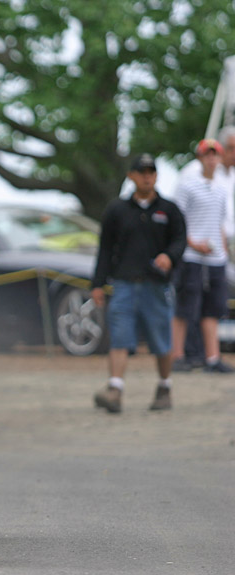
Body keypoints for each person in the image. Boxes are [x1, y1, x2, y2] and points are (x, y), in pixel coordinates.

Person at [91, 153, 186, 413]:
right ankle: (115, 388)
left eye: (151, 171)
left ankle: (164, 386)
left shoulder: (169, 210)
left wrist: (170, 256)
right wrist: (97, 284)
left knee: (160, 339)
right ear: (131, 176)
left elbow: (180, 240)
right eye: (142, 171)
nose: (147, 176)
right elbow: (105, 249)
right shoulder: (116, 210)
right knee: (120, 336)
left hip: (157, 286)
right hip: (124, 284)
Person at [171, 139, 233, 374]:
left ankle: (212, 357)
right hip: (191, 255)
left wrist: (222, 248)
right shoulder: (187, 185)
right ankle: (178, 355)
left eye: (215, 155)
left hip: (215, 257)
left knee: (213, 308)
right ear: (200, 158)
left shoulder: (221, 188)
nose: (211, 159)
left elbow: (220, 222)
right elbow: (178, 221)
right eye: (207, 155)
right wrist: (193, 244)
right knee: (185, 306)